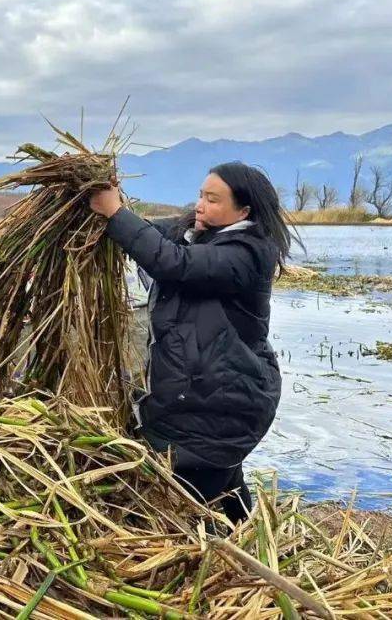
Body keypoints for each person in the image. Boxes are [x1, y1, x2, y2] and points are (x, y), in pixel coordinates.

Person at [89, 162, 298, 524]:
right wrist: (110, 214)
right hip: (202, 396)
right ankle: (249, 537)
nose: (200, 205)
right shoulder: (199, 233)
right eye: (201, 195)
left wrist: (115, 212)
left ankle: (224, 554)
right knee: (221, 480)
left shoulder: (246, 253)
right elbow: (152, 237)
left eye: (213, 200)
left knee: (178, 493)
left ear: (244, 211)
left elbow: (175, 264)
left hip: (226, 400)